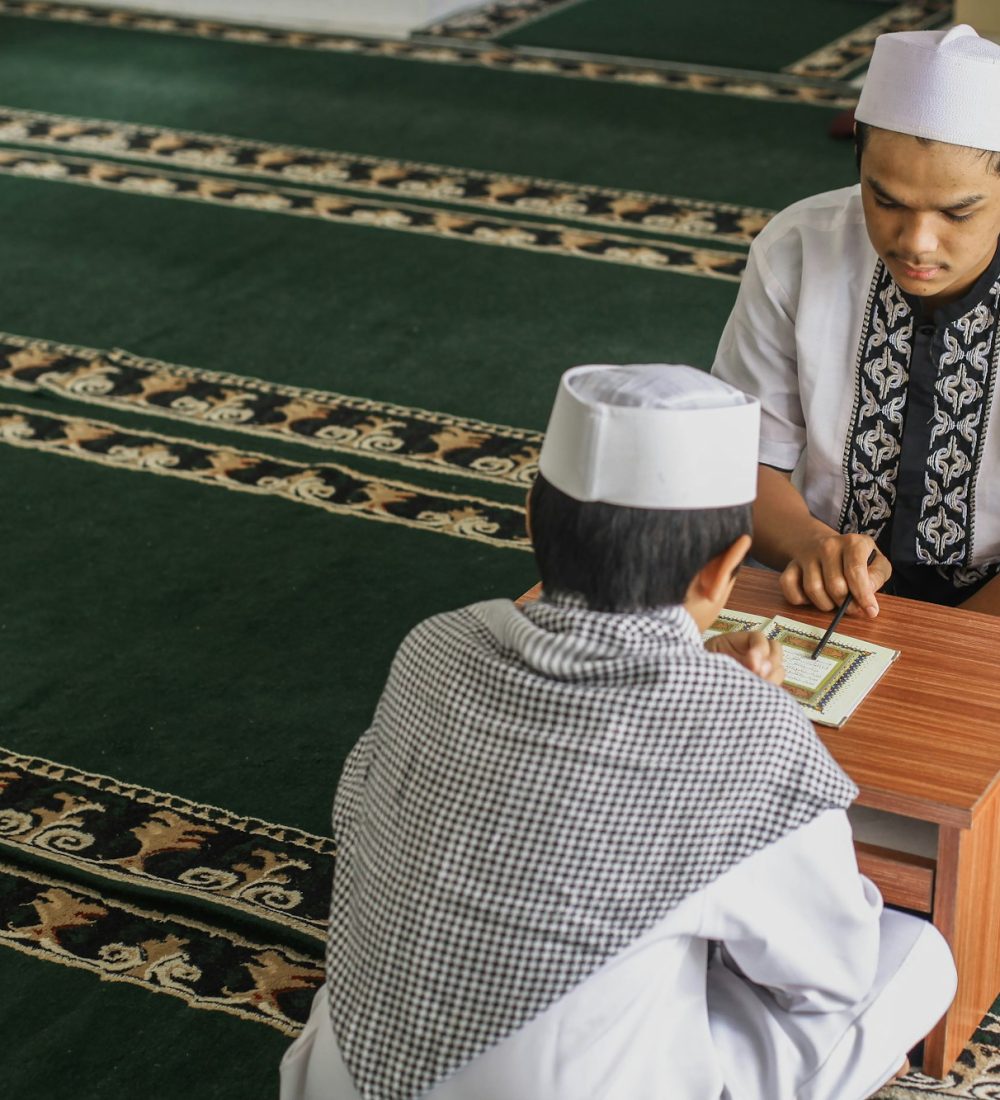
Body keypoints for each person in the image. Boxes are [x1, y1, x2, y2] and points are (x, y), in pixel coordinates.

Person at [280, 364, 955, 1100]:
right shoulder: (741, 730)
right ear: (727, 565)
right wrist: (726, 713)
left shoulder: (435, 643)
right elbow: (834, 971)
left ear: (533, 516)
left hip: (342, 1079)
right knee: (914, 956)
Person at [713, 25, 1000, 616]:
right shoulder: (798, 247)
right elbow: (741, 460)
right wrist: (812, 545)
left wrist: (957, 644)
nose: (917, 243)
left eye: (958, 212)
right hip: (820, 589)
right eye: (886, 201)